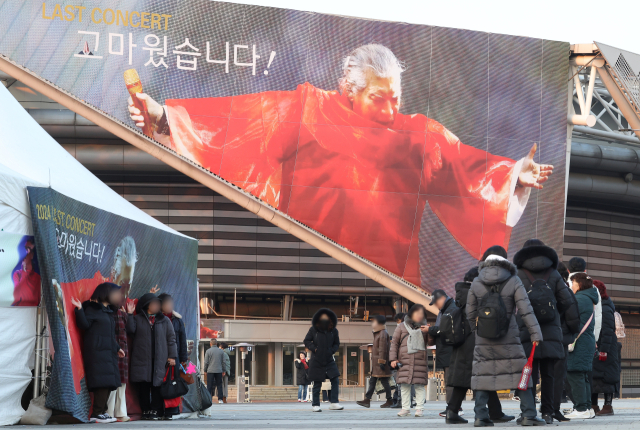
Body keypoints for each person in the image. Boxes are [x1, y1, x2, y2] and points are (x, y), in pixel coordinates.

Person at [127, 44, 552, 286]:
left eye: (396, 98)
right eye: (378, 99)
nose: (390, 110)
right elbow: (239, 125)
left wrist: (514, 173)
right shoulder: (307, 110)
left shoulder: (418, 136)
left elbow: (467, 169)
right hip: (306, 267)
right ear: (349, 90)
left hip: (391, 278)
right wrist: (163, 116)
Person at [467, 245, 545, 426]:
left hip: (484, 337)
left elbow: (469, 313)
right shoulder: (513, 280)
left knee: (482, 375)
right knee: (520, 373)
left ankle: (480, 417)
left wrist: (477, 330)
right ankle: (528, 415)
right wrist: (535, 333)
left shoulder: (477, 282)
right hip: (509, 337)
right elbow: (525, 309)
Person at [513, 239, 581, 424]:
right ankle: (548, 413)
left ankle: (528, 412)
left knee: (529, 373)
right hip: (551, 330)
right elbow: (568, 302)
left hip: (527, 330)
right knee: (549, 373)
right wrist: (569, 326)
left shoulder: (518, 274)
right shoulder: (553, 273)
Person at [445, 267, 515, 425]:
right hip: (474, 341)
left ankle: (453, 412)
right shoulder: (475, 293)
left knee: (468, 378)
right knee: (482, 377)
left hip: (464, 343)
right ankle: (491, 412)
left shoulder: (462, 293)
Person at [71, 283, 124, 423]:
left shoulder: (108, 312)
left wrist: (117, 348)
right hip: (97, 352)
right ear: (105, 293)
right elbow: (84, 325)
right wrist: (79, 309)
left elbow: (109, 335)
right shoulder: (92, 309)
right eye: (115, 293)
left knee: (109, 383)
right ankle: (96, 413)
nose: (118, 296)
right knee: (102, 383)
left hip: (108, 352)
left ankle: (102, 412)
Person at [126, 293, 178, 420]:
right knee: (143, 386)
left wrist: (172, 356)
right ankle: (145, 410)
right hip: (142, 359)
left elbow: (171, 339)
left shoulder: (165, 320)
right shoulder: (138, 318)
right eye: (154, 303)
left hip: (160, 360)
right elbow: (130, 330)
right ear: (147, 305)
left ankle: (155, 410)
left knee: (157, 386)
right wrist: (129, 315)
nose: (157, 306)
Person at [564, 273, 599, 420]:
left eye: (573, 283)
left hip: (579, 342)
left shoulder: (579, 299)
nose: (571, 286)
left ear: (579, 284)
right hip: (586, 341)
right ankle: (587, 408)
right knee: (583, 376)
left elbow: (570, 320)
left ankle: (581, 408)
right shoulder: (589, 298)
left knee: (575, 375)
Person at [390, 304, 429, 417]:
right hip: (404, 360)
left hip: (419, 360)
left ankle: (419, 408)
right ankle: (405, 408)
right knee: (404, 385)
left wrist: (429, 332)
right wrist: (393, 359)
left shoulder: (424, 327)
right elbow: (394, 343)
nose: (419, 315)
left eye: (421, 314)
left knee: (419, 385)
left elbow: (430, 342)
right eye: (417, 313)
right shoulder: (401, 326)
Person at [552, 261, 579, 421]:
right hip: (559, 338)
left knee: (537, 375)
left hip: (537, 338)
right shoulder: (564, 290)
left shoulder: (533, 286)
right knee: (557, 376)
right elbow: (573, 317)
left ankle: (529, 411)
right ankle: (553, 410)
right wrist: (571, 333)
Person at [303, 308, 343, 412]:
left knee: (335, 379)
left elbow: (337, 343)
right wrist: (314, 349)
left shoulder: (334, 331)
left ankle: (334, 403)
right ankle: (315, 405)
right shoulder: (313, 329)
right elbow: (306, 340)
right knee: (317, 383)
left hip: (329, 359)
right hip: (317, 359)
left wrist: (332, 351)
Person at [591, 280, 619, 416]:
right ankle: (594, 405)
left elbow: (608, 330)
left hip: (605, 347)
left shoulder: (605, 307)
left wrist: (604, 350)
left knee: (607, 377)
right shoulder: (597, 305)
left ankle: (608, 406)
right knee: (594, 377)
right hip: (598, 345)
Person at [158, 293, 188, 417]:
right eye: (167, 303)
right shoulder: (156, 318)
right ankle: (160, 409)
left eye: (171, 303)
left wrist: (183, 358)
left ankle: (172, 409)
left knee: (174, 383)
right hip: (159, 358)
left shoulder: (177, 320)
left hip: (175, 358)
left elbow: (182, 340)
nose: (170, 305)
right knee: (160, 383)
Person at [427, 289, 455, 416]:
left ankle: (453, 408)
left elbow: (443, 329)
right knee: (449, 381)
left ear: (442, 298)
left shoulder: (450, 310)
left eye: (436, 302)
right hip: (446, 350)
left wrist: (430, 330)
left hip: (449, 350)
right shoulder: (445, 310)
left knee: (450, 381)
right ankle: (453, 407)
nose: (436, 306)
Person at [357, 315, 393, 408]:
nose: (372, 324)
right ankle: (368, 400)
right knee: (374, 381)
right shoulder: (379, 333)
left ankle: (388, 400)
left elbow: (382, 349)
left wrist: (381, 361)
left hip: (380, 363)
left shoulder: (382, 333)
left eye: (374, 322)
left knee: (383, 382)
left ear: (379, 323)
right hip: (377, 363)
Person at [106, 296, 129, 422]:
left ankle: (121, 412)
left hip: (123, 351)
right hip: (111, 350)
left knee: (122, 383)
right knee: (112, 382)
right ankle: (109, 412)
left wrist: (129, 314)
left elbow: (130, 329)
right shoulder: (107, 313)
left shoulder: (122, 314)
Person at [12, 237, 41, 306]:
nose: (27, 252)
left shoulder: (38, 277)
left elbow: (36, 299)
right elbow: (17, 295)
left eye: (29, 249)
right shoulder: (17, 274)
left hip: (32, 310)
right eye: (26, 249)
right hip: (18, 309)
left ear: (33, 254)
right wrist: (24, 272)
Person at [390, 312, 406, 409]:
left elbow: (395, 345)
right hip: (402, 359)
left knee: (401, 382)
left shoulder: (401, 330)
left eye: (398, 321)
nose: (398, 323)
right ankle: (398, 399)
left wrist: (394, 359)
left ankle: (399, 400)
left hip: (402, 359)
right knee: (402, 382)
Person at [204, 339, 226, 404]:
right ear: (216, 344)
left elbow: (206, 362)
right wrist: (224, 370)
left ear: (210, 344)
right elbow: (223, 362)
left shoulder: (208, 351)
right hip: (219, 370)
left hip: (210, 370)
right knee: (219, 385)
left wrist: (205, 370)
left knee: (209, 385)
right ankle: (220, 399)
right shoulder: (221, 351)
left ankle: (209, 399)